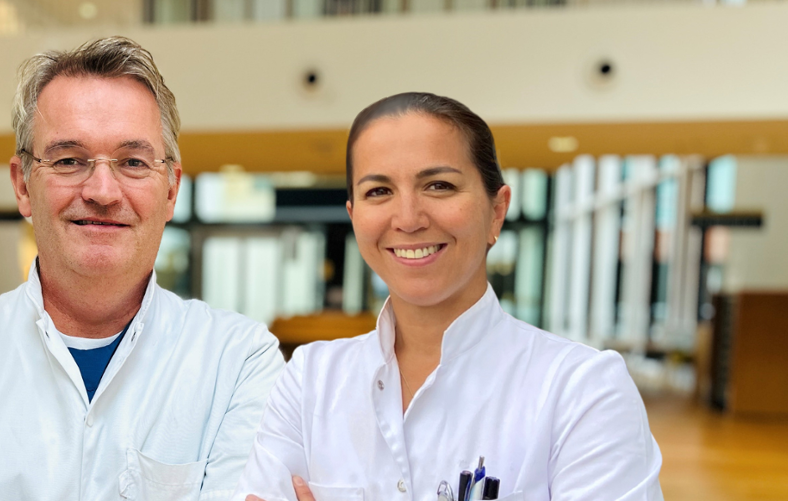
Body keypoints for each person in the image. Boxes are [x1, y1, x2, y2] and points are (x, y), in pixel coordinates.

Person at [0, 37, 285, 501]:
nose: (102, 190)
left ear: (171, 190)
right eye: (68, 160)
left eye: (133, 162)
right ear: (23, 185)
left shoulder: (239, 362)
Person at [234, 92, 663, 501]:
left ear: (496, 211)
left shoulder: (582, 391)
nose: (407, 219)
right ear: (354, 216)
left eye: (438, 185)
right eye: (378, 191)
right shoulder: (309, 381)